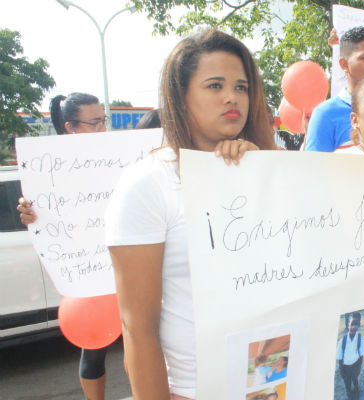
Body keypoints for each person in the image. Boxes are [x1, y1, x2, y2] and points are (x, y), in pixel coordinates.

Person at [105, 29, 275, 399]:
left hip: (272, 384)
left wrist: (256, 172)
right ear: (180, 97)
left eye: (242, 87)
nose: (232, 96)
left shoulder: (266, 168)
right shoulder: (149, 184)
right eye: (215, 86)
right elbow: (138, 329)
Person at [16, 92, 111, 400]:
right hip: (88, 268)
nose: (102, 130)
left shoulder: (115, 157)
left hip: (125, 262)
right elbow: (36, 212)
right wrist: (29, 213)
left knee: (143, 341)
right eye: (95, 122)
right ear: (71, 127)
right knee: (93, 346)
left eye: (103, 121)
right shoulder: (47, 168)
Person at [336, 312, 364, 400]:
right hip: (346, 367)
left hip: (355, 365)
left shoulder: (359, 338)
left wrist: (358, 368)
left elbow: (361, 355)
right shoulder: (343, 340)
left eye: (356, 324)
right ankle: (349, 393)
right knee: (347, 383)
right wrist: (341, 370)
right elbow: (339, 357)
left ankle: (356, 391)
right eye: (352, 324)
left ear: (359, 325)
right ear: (348, 325)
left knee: (355, 380)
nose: (353, 327)